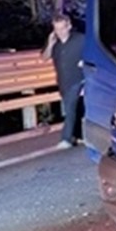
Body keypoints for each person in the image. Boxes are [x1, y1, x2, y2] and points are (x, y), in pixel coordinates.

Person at [42, 12, 85, 148]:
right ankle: (78, 136)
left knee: (70, 109)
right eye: (56, 29)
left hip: (78, 79)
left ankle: (66, 139)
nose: (60, 32)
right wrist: (49, 44)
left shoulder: (80, 39)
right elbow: (44, 57)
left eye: (62, 28)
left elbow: (93, 53)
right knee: (74, 108)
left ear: (69, 26)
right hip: (63, 82)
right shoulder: (56, 44)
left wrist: (85, 62)